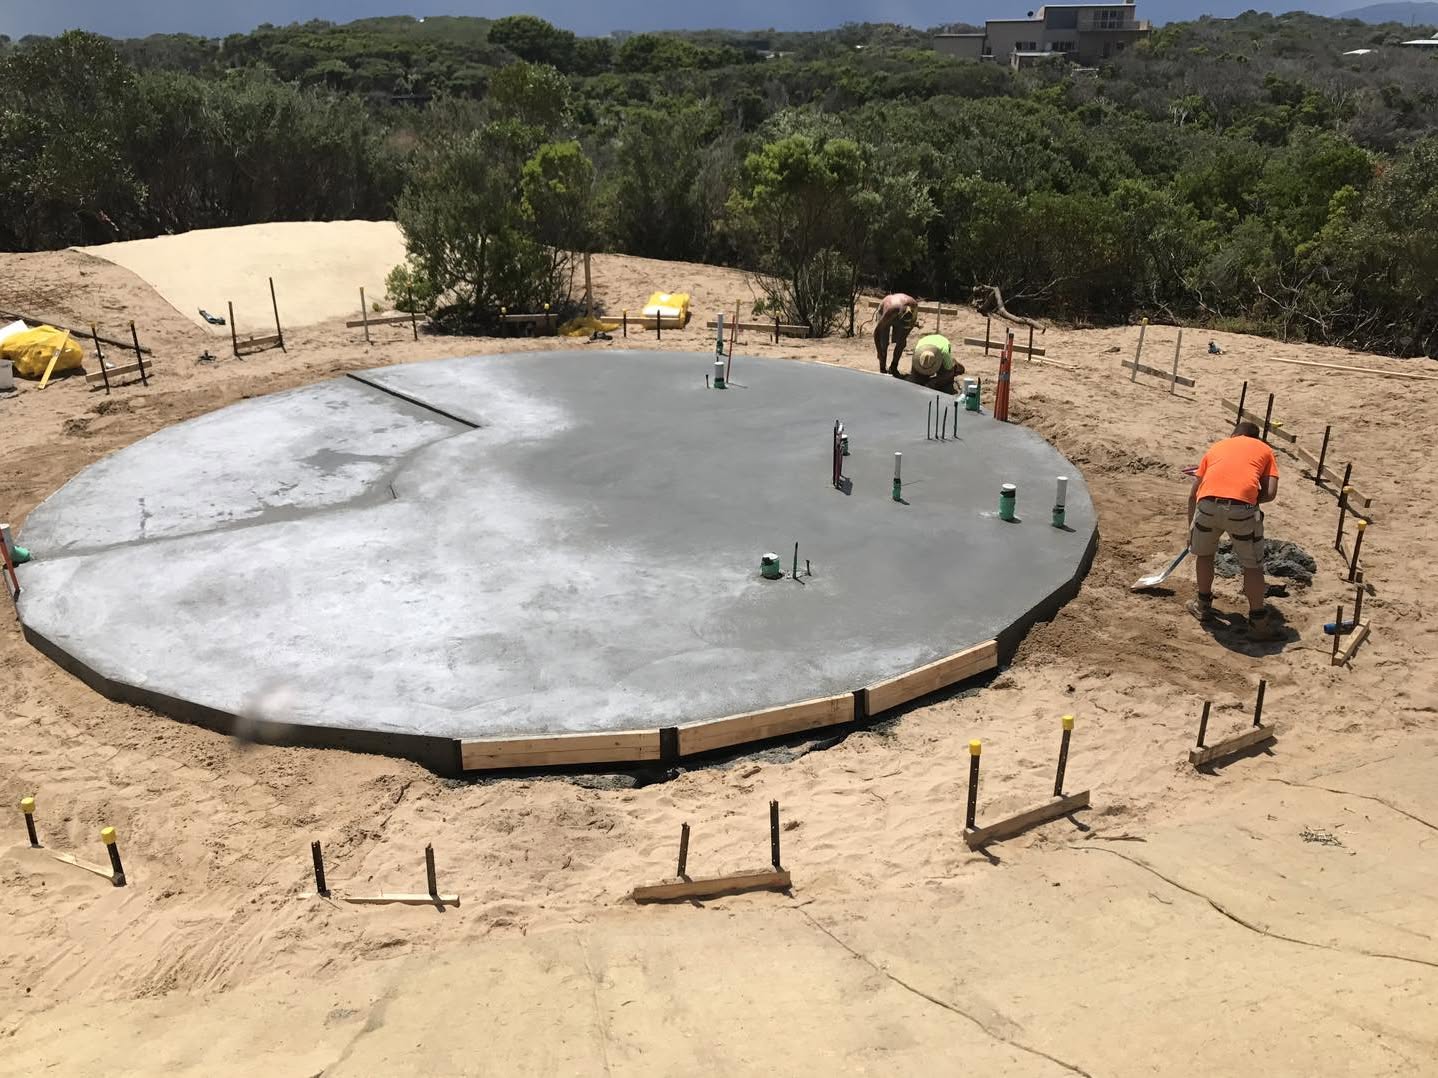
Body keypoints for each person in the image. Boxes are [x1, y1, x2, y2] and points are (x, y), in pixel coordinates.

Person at [1186, 421, 1281, 639]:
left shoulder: (1217, 447)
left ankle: (1202, 606)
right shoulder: (1265, 450)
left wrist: (1191, 529)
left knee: (1205, 555)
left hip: (1207, 505)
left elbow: (1193, 494)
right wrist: (1246, 500)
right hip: (1241, 509)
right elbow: (1271, 492)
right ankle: (1258, 623)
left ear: (1234, 434)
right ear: (1256, 438)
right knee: (1252, 565)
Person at [873, 293, 917, 376]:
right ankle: (882, 367)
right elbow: (877, 332)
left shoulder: (914, 308)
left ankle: (893, 367)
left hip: (898, 314)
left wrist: (901, 341)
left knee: (901, 343)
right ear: (899, 314)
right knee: (884, 342)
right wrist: (879, 352)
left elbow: (907, 330)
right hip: (885, 310)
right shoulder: (890, 310)